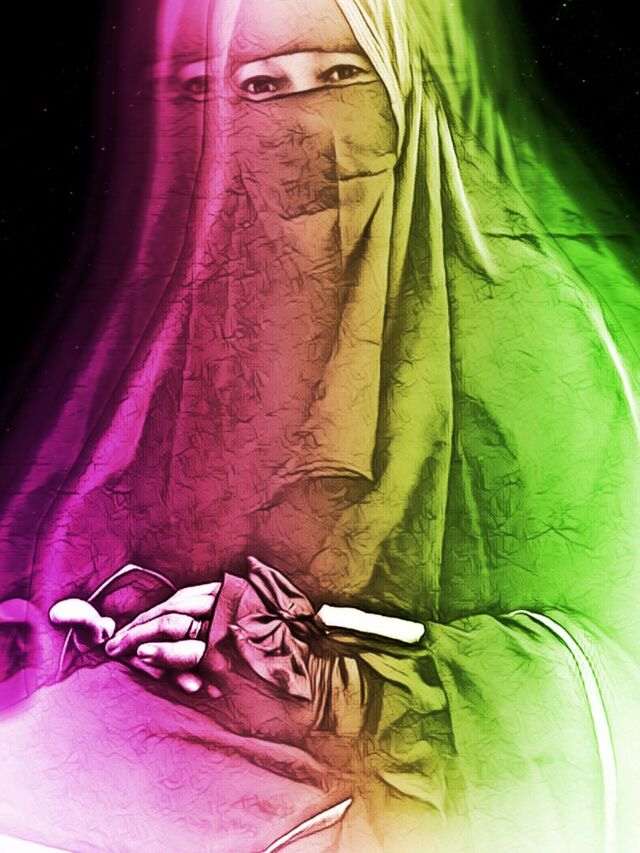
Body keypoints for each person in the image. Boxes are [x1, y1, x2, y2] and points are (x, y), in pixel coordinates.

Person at [1, 0, 639, 850]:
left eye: (340, 75)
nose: (303, 126)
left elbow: (609, 670)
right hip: (207, 767)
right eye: (261, 88)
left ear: (407, 91)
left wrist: (341, 681)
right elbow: (110, 560)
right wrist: (94, 630)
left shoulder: (533, 331)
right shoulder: (198, 323)